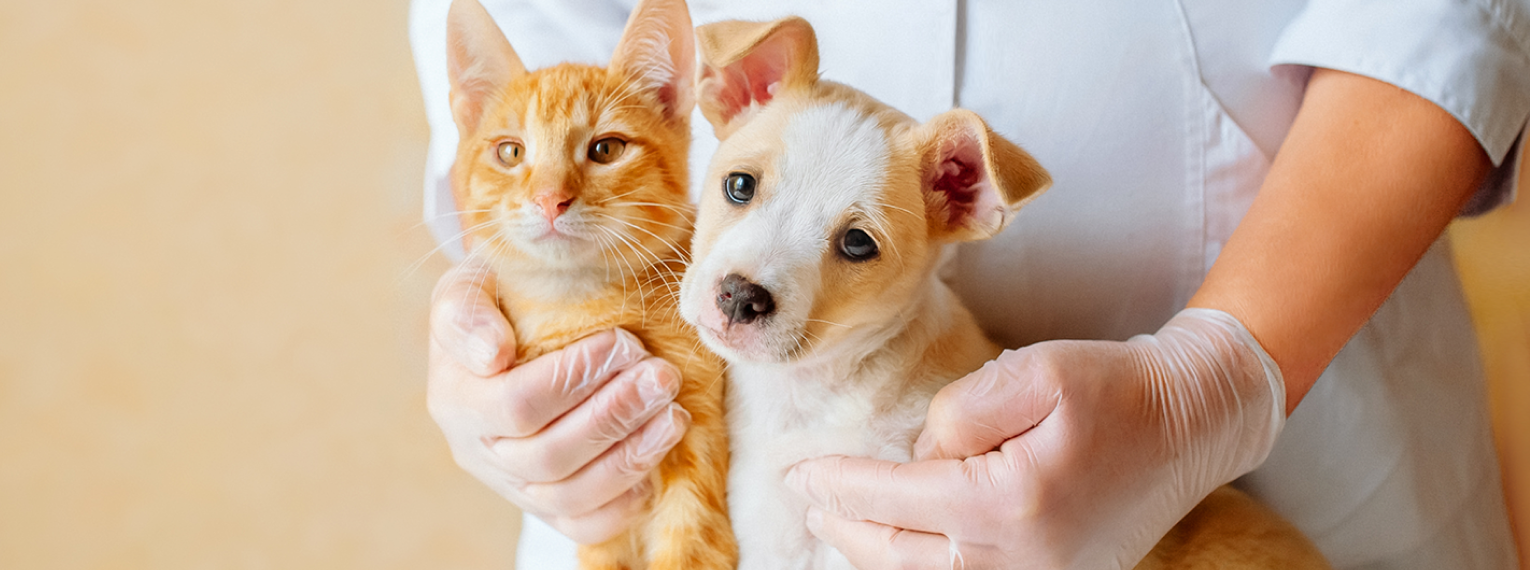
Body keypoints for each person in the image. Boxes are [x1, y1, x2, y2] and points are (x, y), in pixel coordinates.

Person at [410, 0, 1529, 568]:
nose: (751, 275)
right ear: (731, 89)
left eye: (853, 243)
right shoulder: (727, 92)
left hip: (1308, 388)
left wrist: (1215, 381)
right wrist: (500, 335)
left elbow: (1440, 20)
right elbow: (528, 77)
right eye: (740, 187)